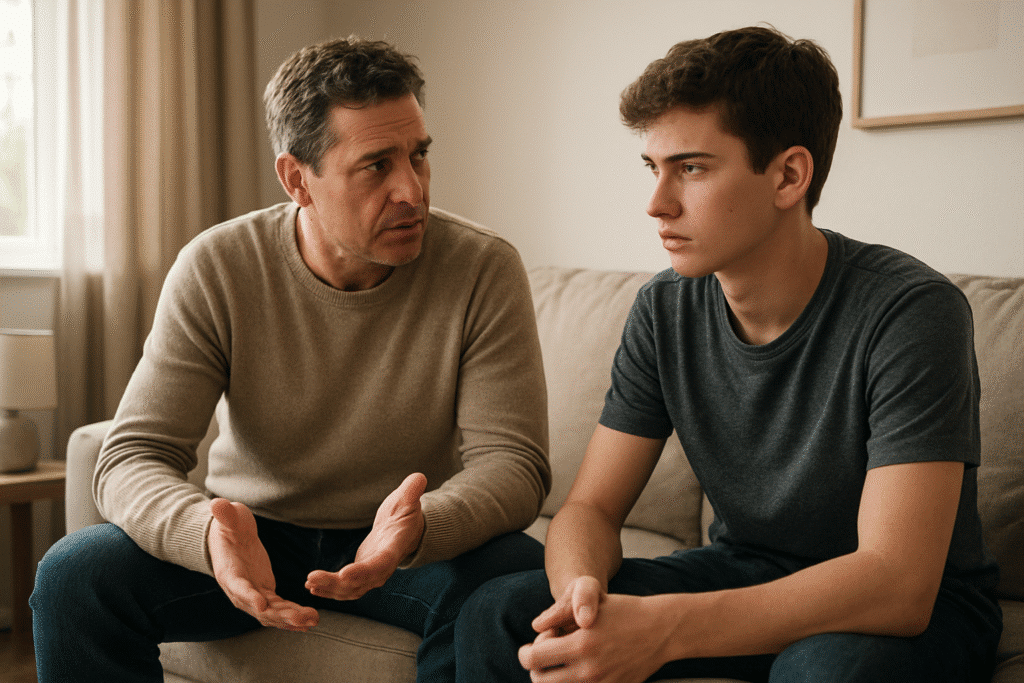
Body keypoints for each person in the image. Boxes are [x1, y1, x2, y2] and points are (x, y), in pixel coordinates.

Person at [454, 25, 1002, 683]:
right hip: (746, 567)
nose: (656, 204)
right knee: (500, 611)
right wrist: (581, 595)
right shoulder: (664, 309)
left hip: (909, 605)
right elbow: (590, 508)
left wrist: (666, 631)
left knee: (825, 669)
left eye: (691, 167)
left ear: (789, 175)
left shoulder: (912, 311)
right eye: (653, 168)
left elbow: (896, 581)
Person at [31, 37, 551, 683]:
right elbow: (134, 453)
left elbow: (515, 464)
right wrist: (207, 533)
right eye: (376, 165)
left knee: (520, 577)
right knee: (75, 572)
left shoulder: (482, 267)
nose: (411, 190)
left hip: (407, 542)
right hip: (255, 534)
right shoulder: (219, 265)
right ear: (296, 178)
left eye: (418, 156)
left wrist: (422, 526)